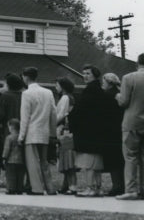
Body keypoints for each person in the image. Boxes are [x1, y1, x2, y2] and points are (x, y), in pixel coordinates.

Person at [115, 53, 144, 200]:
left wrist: (117, 96)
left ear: (138, 62)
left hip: (132, 122)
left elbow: (124, 102)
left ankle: (131, 190)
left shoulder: (128, 78)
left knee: (130, 157)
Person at [18, 66, 58, 194]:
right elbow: (53, 114)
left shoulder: (26, 94)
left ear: (26, 77)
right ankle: (50, 187)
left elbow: (25, 117)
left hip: (31, 132)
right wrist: (53, 133)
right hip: (45, 132)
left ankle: (37, 188)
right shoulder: (48, 92)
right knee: (44, 162)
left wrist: (21, 136)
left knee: (33, 162)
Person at [72, 65, 106, 197]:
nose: (84, 76)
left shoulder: (89, 91)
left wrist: (71, 119)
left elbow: (79, 111)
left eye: (88, 74)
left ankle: (90, 187)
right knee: (97, 162)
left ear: (95, 76)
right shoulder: (100, 91)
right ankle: (98, 187)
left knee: (88, 163)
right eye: (83, 73)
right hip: (98, 132)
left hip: (87, 132)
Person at [99, 73, 126, 195]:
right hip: (120, 130)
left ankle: (116, 186)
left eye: (103, 82)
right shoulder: (119, 94)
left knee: (113, 160)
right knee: (121, 160)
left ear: (108, 83)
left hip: (109, 131)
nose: (102, 84)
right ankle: (123, 184)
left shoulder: (106, 95)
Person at [54, 77, 77, 194]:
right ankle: (66, 185)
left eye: (57, 85)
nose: (55, 87)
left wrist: (53, 124)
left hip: (64, 132)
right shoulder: (71, 98)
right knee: (66, 158)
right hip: (69, 132)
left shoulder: (64, 98)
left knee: (67, 159)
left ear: (62, 87)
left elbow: (61, 114)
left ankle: (72, 186)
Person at [2, 119, 25, 194]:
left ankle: (11, 189)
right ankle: (19, 188)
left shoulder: (9, 138)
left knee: (11, 176)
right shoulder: (22, 137)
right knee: (20, 176)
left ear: (11, 127)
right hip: (21, 160)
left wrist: (4, 157)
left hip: (10, 160)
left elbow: (7, 149)